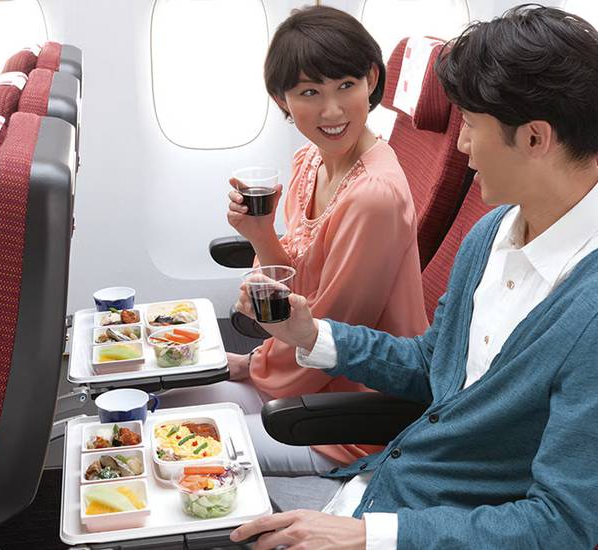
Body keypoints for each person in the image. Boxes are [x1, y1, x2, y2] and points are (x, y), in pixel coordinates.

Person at [229, 4, 598, 549]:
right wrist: (310, 336)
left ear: (534, 139)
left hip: (423, 526)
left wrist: (369, 537)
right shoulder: (492, 234)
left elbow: (561, 525)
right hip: (385, 486)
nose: (461, 144)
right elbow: (431, 365)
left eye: (470, 125)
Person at [161, 5, 428, 476]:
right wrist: (261, 235)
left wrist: (254, 366)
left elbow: (333, 333)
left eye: (346, 85)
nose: (332, 110)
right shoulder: (312, 162)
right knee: (162, 407)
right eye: (309, 92)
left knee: (175, 450)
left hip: (351, 411)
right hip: (302, 376)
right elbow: (300, 285)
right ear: (281, 99)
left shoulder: (375, 198)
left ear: (371, 78)